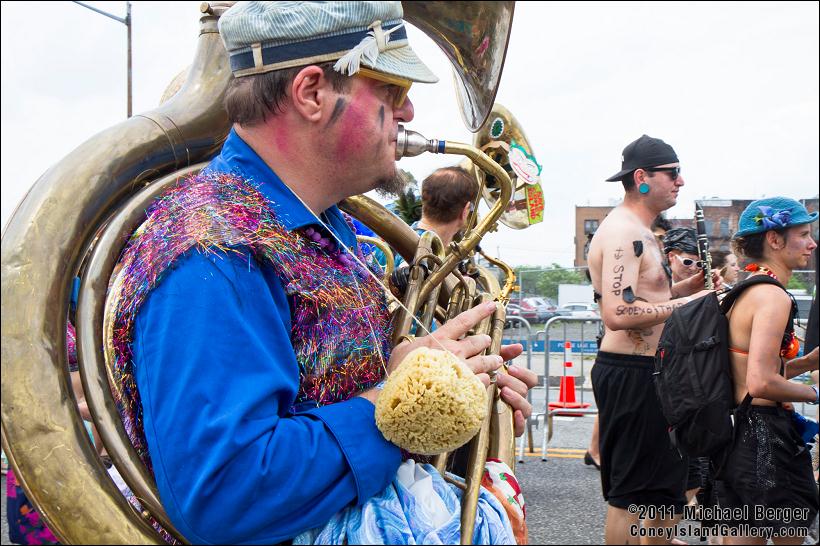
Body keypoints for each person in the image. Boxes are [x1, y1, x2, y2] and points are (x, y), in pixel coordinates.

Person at [105, 2, 537, 544]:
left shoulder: (323, 226)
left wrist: (454, 391)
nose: (407, 114)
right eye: (392, 92)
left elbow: (333, 396)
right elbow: (226, 494)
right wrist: (401, 405)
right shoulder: (212, 248)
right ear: (312, 93)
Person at [588, 134, 718, 544]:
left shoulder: (642, 231)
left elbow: (648, 298)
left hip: (656, 371)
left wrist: (687, 289)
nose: (680, 181)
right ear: (641, 177)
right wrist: (693, 304)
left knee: (665, 492)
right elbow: (618, 312)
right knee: (630, 496)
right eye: (672, 173)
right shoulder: (625, 232)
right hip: (632, 373)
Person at [715, 197, 819, 545]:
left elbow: (745, 372)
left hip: (737, 433)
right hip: (766, 437)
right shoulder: (773, 297)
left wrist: (804, 364)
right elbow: (761, 382)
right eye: (803, 234)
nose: (812, 243)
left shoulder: (744, 291)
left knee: (742, 535)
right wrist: (814, 392)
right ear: (774, 240)